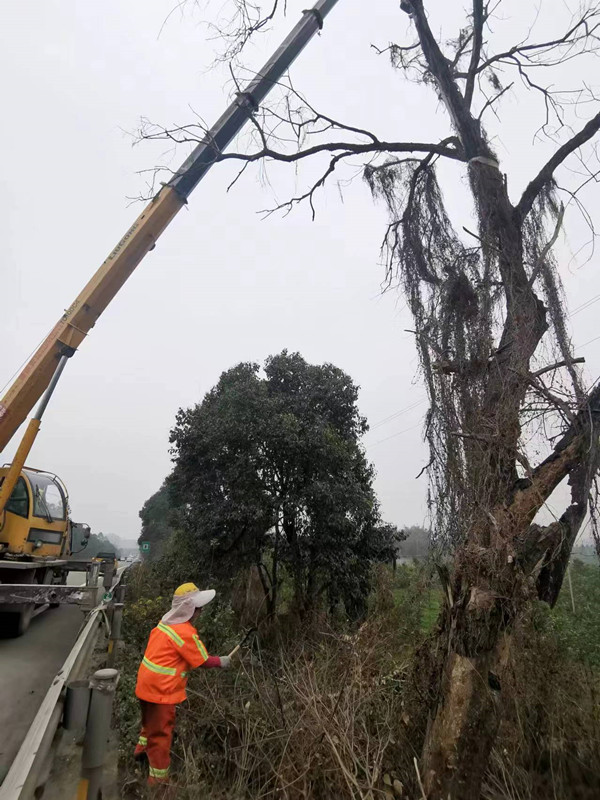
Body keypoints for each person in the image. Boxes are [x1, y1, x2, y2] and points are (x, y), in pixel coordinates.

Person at [134, 582, 232, 787]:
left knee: (148, 722)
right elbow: (203, 661)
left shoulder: (165, 623)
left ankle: (141, 751)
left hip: (145, 685)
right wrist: (221, 661)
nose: (200, 612)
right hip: (161, 692)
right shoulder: (185, 632)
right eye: (198, 608)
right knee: (161, 734)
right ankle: (158, 782)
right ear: (189, 609)